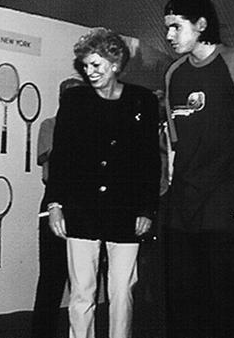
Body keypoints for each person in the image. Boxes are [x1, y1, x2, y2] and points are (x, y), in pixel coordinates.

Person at [46, 27, 160, 338]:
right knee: (82, 293)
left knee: (122, 292)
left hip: (126, 213)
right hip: (81, 211)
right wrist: (55, 205)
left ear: (115, 63)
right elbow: (61, 157)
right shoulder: (74, 99)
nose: (89, 72)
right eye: (85, 65)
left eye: (96, 65)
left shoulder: (143, 101)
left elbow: (151, 159)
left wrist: (147, 208)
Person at [163, 0, 234, 338]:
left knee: (222, 301)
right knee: (182, 300)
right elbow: (174, 145)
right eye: (167, 28)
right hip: (182, 204)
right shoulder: (173, 75)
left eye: (177, 27)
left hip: (224, 201)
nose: (169, 36)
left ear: (202, 24)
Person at [31, 76, 84, 338]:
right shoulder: (49, 125)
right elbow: (49, 156)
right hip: (53, 204)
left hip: (83, 207)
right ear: (61, 98)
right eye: (69, 95)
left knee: (84, 280)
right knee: (51, 276)